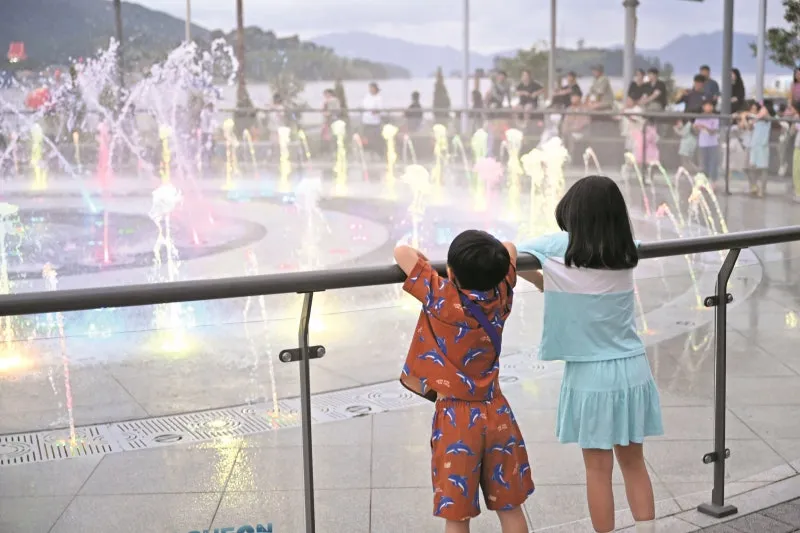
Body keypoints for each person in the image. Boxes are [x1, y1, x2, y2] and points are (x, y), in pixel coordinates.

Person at [517, 175, 662, 533]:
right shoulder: (626, 249)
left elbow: (512, 252)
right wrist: (548, 282)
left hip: (591, 375)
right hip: (632, 368)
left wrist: (540, 277)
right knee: (634, 464)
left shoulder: (559, 245)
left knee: (598, 470)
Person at [394, 231, 534, 533]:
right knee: (510, 507)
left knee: (457, 517)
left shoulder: (442, 296)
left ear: (452, 272)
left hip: (456, 420)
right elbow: (509, 247)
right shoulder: (502, 293)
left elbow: (401, 253)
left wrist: (430, 267)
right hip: (497, 411)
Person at [747, 100, 772, 197]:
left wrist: (757, 116)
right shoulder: (756, 119)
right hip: (754, 146)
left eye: (763, 109)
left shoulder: (767, 119)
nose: (761, 111)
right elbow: (750, 126)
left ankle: (762, 189)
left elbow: (764, 115)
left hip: (763, 146)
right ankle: (755, 186)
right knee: (752, 167)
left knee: (763, 168)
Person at [694, 98, 721, 187]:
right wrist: (696, 128)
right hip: (702, 144)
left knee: (713, 163)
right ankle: (703, 182)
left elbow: (713, 131)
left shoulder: (715, 117)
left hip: (713, 144)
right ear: (703, 107)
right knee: (703, 164)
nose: (708, 107)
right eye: (706, 106)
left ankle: (713, 182)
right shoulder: (699, 117)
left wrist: (703, 126)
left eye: (710, 106)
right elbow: (695, 130)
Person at [561, 92, 591, 158]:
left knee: (572, 138)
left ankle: (572, 157)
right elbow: (565, 122)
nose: (572, 98)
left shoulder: (584, 109)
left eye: (574, 96)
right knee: (564, 137)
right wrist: (565, 130)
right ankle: (567, 156)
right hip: (570, 132)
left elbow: (584, 123)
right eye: (572, 97)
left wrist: (572, 129)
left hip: (582, 132)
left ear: (579, 97)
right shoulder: (569, 109)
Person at [361, 82, 383, 158]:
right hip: (366, 121)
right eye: (369, 88)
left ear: (375, 89)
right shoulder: (367, 96)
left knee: (375, 139)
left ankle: (377, 154)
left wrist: (375, 111)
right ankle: (369, 154)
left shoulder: (378, 98)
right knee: (366, 139)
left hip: (375, 122)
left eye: (371, 88)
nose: (370, 89)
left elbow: (379, 109)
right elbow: (363, 106)